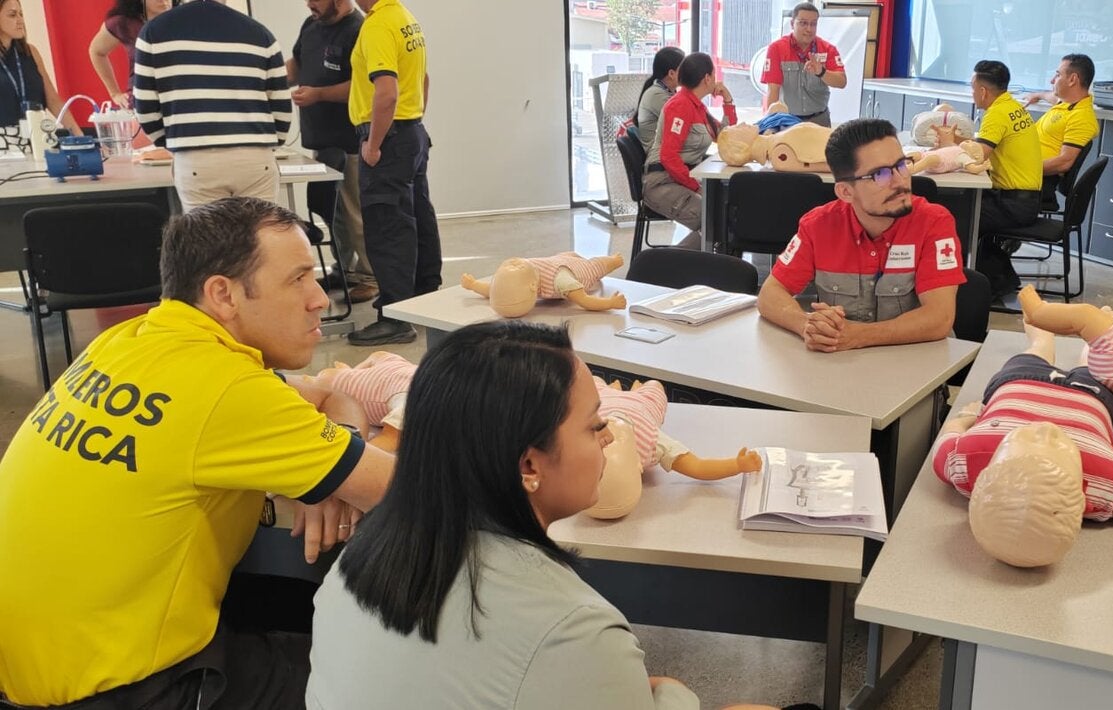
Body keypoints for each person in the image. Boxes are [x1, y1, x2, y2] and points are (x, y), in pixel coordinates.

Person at [0, 197, 395, 709]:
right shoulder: (228, 391)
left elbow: (322, 394)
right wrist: (345, 459)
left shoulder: (129, 341)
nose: (320, 298)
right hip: (127, 691)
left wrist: (332, 456)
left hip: (34, 664)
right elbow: (417, 492)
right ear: (223, 294)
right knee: (381, 679)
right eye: (297, 279)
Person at [306, 320, 705, 709]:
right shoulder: (574, 629)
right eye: (593, 425)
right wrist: (675, 693)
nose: (607, 436)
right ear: (529, 467)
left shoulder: (355, 561)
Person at [932, 319, 1113, 522]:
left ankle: (1042, 339)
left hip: (1022, 383)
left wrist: (968, 415)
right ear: (1081, 506)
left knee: (1032, 354)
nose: (1045, 430)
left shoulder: (962, 464)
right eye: (1055, 448)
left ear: (981, 488)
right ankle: (1088, 348)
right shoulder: (1109, 490)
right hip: (1091, 396)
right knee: (1096, 365)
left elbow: (949, 433)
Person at [757, 117, 965, 352]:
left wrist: (858, 336)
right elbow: (770, 294)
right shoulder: (818, 226)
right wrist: (807, 325)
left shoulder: (934, 223)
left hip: (912, 373)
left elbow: (939, 319)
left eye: (901, 165)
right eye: (880, 175)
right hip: (839, 370)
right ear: (845, 191)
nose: (900, 181)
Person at [133, 0, 292, 212]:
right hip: (255, 155)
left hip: (195, 158)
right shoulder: (260, 33)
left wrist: (171, 140)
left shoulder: (154, 32)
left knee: (209, 242)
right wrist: (271, 141)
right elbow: (281, 106)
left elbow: (145, 107)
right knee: (261, 240)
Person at [345, 0, 439, 346]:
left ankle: (396, 316)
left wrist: (374, 142)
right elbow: (423, 79)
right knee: (417, 215)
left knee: (387, 226)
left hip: (388, 136)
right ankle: (425, 297)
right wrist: (412, 121)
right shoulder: (405, 18)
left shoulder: (378, 25)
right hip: (410, 131)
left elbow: (386, 93)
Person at [287, 0, 379, 305]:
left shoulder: (359, 29)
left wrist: (320, 94)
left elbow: (365, 85)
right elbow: (297, 65)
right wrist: (268, 78)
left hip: (350, 140)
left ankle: (369, 276)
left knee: (356, 213)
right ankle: (345, 270)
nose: (309, 4)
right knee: (335, 213)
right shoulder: (311, 25)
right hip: (321, 139)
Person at [642, 52, 735, 251]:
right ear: (707, 78)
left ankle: (710, 265)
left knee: (726, 212)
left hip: (679, 179)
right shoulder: (680, 105)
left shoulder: (697, 107)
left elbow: (727, 136)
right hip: (662, 182)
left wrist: (728, 101)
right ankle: (671, 266)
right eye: (714, 74)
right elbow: (669, 156)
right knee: (713, 219)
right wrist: (695, 185)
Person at [968, 59, 1043, 301]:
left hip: (1014, 204)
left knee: (961, 217)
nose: (972, 93)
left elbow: (978, 155)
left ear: (982, 91)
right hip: (1025, 199)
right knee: (970, 209)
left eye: (972, 88)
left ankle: (983, 286)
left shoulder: (997, 113)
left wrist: (950, 145)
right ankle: (1001, 278)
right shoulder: (1012, 106)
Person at [1024, 53, 1098, 210]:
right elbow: (1051, 96)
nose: (1052, 80)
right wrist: (1037, 95)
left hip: (1036, 186)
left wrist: (1021, 167)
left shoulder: (1081, 117)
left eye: (1057, 75)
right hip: (1027, 176)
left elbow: (1064, 162)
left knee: (974, 198)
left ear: (1072, 80)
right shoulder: (1066, 102)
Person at [0, 0, 79, 141]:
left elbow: (53, 100)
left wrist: (79, 135)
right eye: (12, 15)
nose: (20, 20)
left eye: (21, 14)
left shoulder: (30, 52)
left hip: (38, 136)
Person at [761, 1, 846, 127]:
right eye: (803, 23)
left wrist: (821, 72)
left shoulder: (828, 49)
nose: (809, 29)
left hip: (819, 121)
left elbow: (842, 82)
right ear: (792, 24)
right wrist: (770, 124)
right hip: (787, 121)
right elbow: (773, 91)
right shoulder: (776, 49)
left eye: (813, 24)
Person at [87, 0, 171, 109]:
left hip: (179, 100)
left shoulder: (183, 20)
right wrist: (114, 93)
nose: (164, 1)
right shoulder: (124, 23)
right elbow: (97, 51)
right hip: (142, 103)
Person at [635, 45, 684, 155]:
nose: (688, 72)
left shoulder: (669, 92)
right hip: (660, 159)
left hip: (672, 153)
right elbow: (685, 122)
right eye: (684, 69)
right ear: (671, 74)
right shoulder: (656, 95)